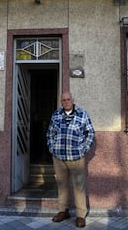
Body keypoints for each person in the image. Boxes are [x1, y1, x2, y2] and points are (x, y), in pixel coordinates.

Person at [46, 92, 95, 228]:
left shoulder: (82, 114)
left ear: (73, 100)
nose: (66, 102)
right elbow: (50, 132)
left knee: (79, 186)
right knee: (62, 185)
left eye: (68, 99)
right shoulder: (56, 115)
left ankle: (80, 215)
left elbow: (90, 132)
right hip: (59, 157)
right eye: (63, 100)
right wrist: (52, 147)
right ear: (61, 102)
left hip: (76, 157)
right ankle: (63, 211)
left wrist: (83, 149)